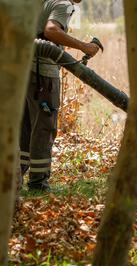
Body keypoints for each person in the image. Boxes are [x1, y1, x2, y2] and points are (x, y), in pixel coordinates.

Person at [20, 0, 100, 192]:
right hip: (43, 74)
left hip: (22, 69)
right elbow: (51, 30)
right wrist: (84, 47)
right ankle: (38, 184)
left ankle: (14, 177)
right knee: (44, 128)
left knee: (25, 128)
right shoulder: (64, 4)